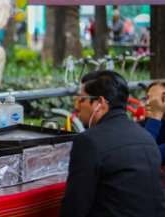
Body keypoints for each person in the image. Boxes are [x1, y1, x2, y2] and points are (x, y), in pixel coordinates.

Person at [60, 70, 165, 217]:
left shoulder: (89, 141)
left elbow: (75, 207)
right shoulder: (146, 137)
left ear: (100, 103)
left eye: (81, 100)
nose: (78, 107)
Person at [141, 80, 165, 165]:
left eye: (156, 100)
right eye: (146, 98)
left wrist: (155, 117)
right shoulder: (138, 126)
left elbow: (147, 157)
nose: (148, 103)